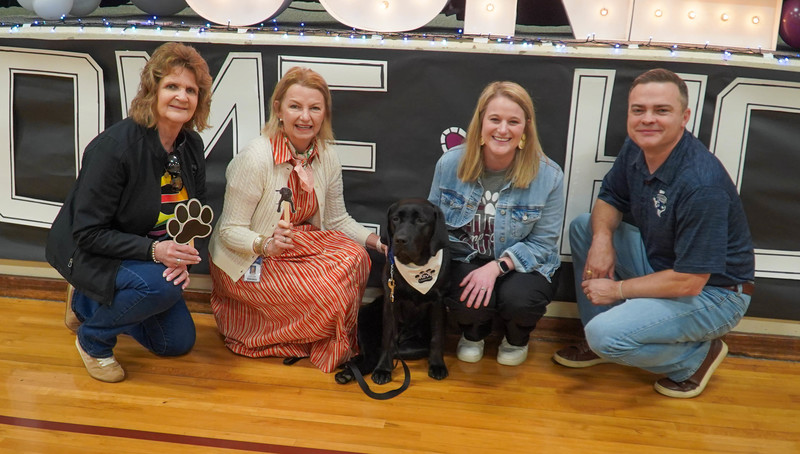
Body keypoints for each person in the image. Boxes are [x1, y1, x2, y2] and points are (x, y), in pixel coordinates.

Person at [552, 68, 755, 398]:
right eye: (639, 110)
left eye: (661, 110)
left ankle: (695, 358)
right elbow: (610, 197)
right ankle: (600, 338)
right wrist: (602, 240)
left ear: (684, 116)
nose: (648, 119)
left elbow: (689, 281)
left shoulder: (702, 184)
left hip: (715, 294)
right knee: (584, 227)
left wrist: (617, 289)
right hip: (663, 266)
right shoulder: (638, 147)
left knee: (606, 335)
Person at [46, 42, 213, 383]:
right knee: (162, 289)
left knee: (176, 343)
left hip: (150, 258)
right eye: (172, 86)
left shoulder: (191, 145)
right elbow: (88, 233)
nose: (182, 96)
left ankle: (90, 303)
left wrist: (183, 257)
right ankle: (93, 341)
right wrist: (157, 251)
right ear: (152, 92)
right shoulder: (115, 149)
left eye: (191, 90)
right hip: (95, 252)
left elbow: (199, 211)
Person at [208, 66, 385, 374]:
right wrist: (265, 244)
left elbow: (337, 218)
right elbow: (228, 231)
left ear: (324, 113)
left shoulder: (326, 153)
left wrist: (374, 242)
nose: (306, 117)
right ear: (278, 110)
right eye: (295, 107)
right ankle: (278, 335)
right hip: (248, 255)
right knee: (329, 291)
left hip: (295, 242)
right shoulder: (256, 157)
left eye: (314, 108)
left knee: (356, 257)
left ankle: (320, 335)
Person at [428, 81, 564, 366]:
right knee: (467, 296)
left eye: (513, 122)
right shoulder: (450, 164)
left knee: (519, 300)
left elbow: (543, 244)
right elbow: (434, 225)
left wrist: (497, 267)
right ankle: (473, 332)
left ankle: (516, 338)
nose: (503, 130)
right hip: (467, 257)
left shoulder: (549, 176)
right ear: (480, 123)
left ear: (526, 127)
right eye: (495, 119)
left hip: (522, 263)